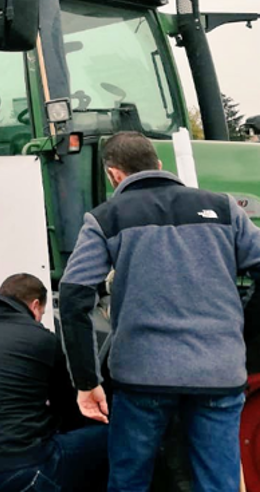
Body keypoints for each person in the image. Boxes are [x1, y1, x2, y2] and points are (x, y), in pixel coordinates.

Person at [59, 131, 260, 492]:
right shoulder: (226, 208)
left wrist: (86, 382)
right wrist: (240, 328)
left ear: (114, 174)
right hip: (219, 370)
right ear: (160, 165)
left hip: (142, 375)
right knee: (218, 482)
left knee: (130, 480)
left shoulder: (106, 218)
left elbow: (74, 297)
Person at [0, 273, 108, 492]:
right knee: (107, 438)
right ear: (35, 305)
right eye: (42, 313)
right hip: (17, 472)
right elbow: (66, 408)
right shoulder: (41, 338)